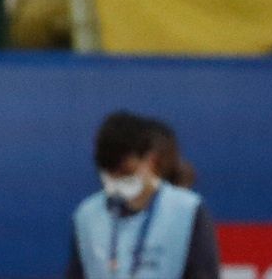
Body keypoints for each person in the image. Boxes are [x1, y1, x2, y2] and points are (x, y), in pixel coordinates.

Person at [66, 111, 219, 279]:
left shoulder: (186, 211)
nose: (117, 181)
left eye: (126, 172)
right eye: (110, 174)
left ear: (150, 160)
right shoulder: (87, 215)